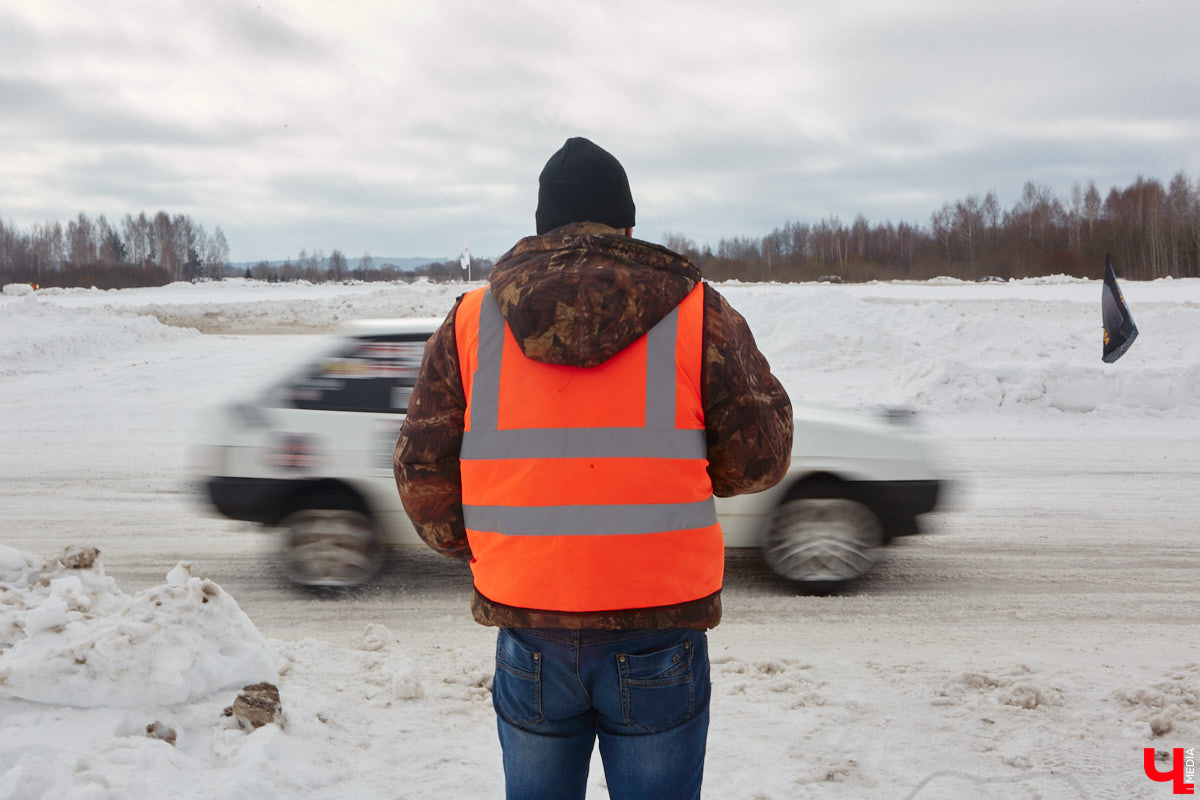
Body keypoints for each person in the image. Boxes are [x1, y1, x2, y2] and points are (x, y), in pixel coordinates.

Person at [394, 137, 792, 799]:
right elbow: (761, 458)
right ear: (627, 227)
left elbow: (420, 472)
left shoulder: (470, 322)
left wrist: (494, 545)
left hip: (530, 624)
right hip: (658, 623)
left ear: (542, 228)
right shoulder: (699, 313)